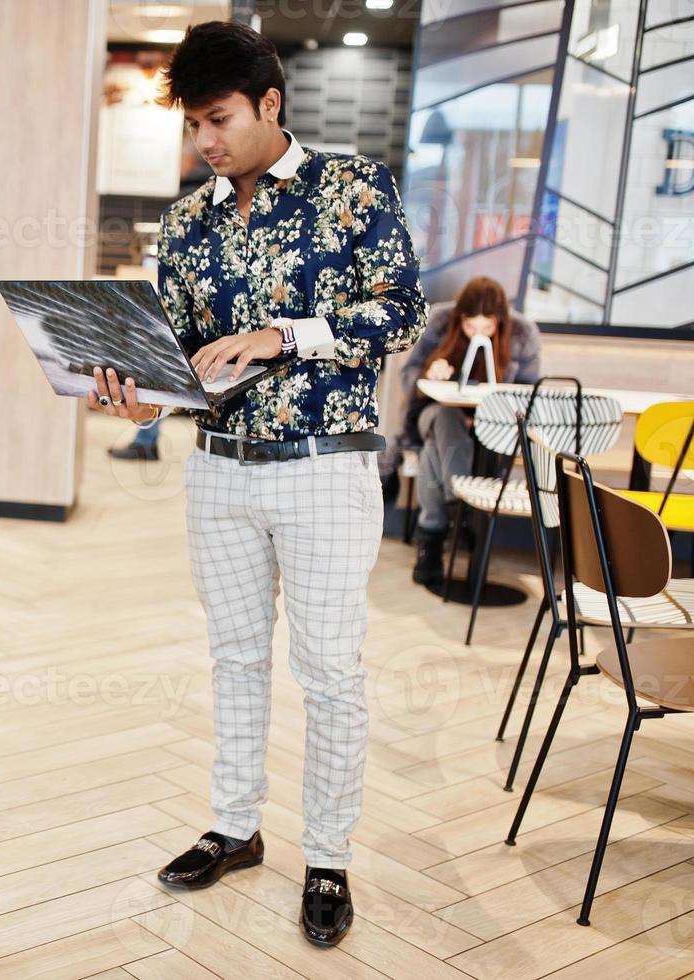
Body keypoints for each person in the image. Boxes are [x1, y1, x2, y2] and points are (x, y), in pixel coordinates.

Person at [86, 22, 426, 947]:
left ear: (268, 104)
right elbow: (183, 364)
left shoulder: (354, 187)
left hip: (326, 469)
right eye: (193, 125)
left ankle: (327, 856)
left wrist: (285, 333)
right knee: (234, 660)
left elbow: (401, 311)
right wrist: (140, 397)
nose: (204, 141)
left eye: (218, 118)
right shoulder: (189, 220)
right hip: (220, 472)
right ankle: (235, 828)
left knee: (327, 672)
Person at [398, 278, 541, 587]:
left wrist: (485, 418)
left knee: (434, 454)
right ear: (459, 319)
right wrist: (431, 371)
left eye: (487, 329)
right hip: (432, 415)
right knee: (445, 418)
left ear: (500, 323)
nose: (478, 335)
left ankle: (432, 538)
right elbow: (409, 376)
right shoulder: (439, 322)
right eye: (470, 328)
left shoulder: (522, 334)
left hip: (491, 429)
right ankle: (460, 506)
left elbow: (527, 396)